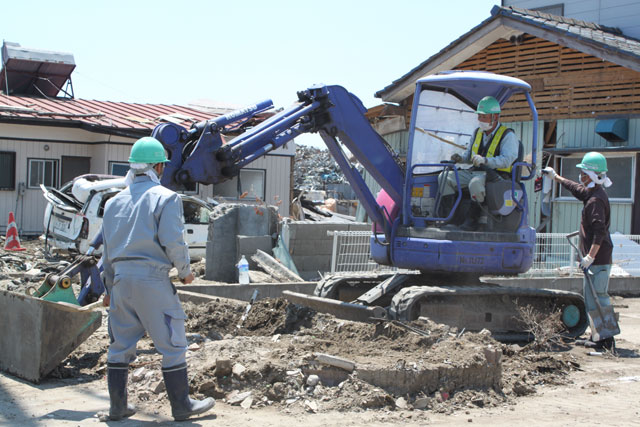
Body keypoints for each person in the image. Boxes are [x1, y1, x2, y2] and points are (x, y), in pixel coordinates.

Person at [101, 136, 214, 421]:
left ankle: (117, 407)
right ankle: (181, 405)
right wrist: (185, 272)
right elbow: (173, 240)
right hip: (151, 279)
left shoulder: (113, 203)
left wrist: (108, 288)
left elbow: (108, 250)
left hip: (120, 281)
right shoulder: (166, 197)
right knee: (173, 343)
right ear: (158, 168)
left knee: (119, 346)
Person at [543, 152, 616, 351]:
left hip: (598, 259)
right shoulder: (592, 193)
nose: (580, 178)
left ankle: (606, 339)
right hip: (596, 259)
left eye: (584, 174)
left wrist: (590, 256)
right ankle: (597, 336)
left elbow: (599, 232)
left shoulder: (595, 202)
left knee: (598, 297)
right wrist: (556, 177)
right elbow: (577, 189)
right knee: (592, 298)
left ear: (593, 176)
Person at [437, 96, 519, 230]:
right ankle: (450, 217)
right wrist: (461, 159)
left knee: (475, 183)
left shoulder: (508, 136)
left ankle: (473, 220)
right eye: (479, 117)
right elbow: (470, 156)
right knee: (445, 178)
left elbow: (507, 160)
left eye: (484, 117)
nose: (480, 120)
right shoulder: (477, 133)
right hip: (475, 172)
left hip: (495, 176)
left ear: (495, 117)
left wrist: (486, 161)